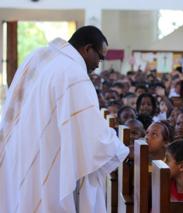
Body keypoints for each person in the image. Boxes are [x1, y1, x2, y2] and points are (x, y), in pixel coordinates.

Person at [0, 26, 129, 212]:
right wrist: (121, 149)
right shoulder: (74, 74)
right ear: (87, 49)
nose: (99, 64)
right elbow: (93, 137)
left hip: (22, 150)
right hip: (48, 157)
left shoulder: (37, 57)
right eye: (99, 57)